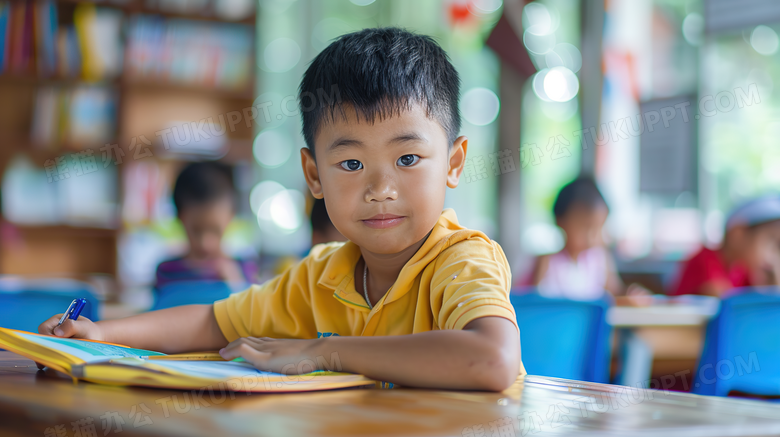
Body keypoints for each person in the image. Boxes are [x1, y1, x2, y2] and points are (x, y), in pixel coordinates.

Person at [38, 28, 523, 391]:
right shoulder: (320, 275)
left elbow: (491, 359)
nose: (380, 188)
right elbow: (214, 322)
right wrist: (100, 333)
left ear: (454, 163)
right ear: (314, 175)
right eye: (351, 163)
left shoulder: (460, 259)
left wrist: (321, 351)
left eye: (408, 159)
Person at [523, 177, 645, 300]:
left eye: (597, 229)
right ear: (560, 221)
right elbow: (533, 303)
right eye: (584, 228)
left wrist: (630, 296)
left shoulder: (601, 260)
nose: (590, 237)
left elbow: (615, 296)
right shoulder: (546, 263)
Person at [155, 162, 256, 288]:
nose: (205, 243)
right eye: (196, 230)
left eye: (215, 230)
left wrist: (235, 281)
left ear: (231, 218)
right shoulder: (167, 272)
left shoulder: (244, 270)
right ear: (180, 218)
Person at [671, 195, 780, 297]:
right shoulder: (706, 259)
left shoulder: (741, 270)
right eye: (771, 242)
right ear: (737, 234)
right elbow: (719, 294)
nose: (774, 254)